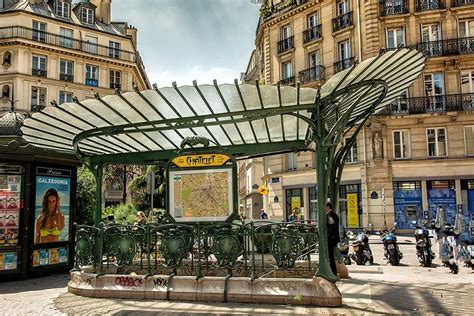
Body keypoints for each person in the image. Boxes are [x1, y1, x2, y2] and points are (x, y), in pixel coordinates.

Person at [326, 202, 340, 276]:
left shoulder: (329, 216)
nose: (324, 209)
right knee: (331, 256)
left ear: (328, 207)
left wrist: (328, 235)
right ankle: (333, 272)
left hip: (331, 238)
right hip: (334, 238)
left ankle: (333, 272)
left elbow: (331, 227)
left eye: (325, 207)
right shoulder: (335, 215)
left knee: (330, 256)